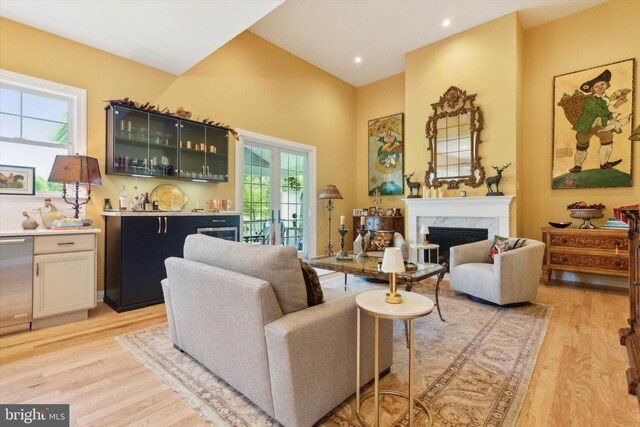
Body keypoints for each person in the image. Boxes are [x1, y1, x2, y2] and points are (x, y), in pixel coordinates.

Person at [569, 69, 629, 173]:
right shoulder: (589, 100)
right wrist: (616, 105)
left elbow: (608, 115)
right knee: (582, 144)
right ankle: (577, 166)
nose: (600, 87)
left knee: (607, 138)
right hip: (586, 126)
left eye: (602, 84)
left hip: (601, 126)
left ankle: (604, 163)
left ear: (607, 85)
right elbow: (601, 111)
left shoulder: (606, 99)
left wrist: (614, 125)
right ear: (592, 89)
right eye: (597, 86)